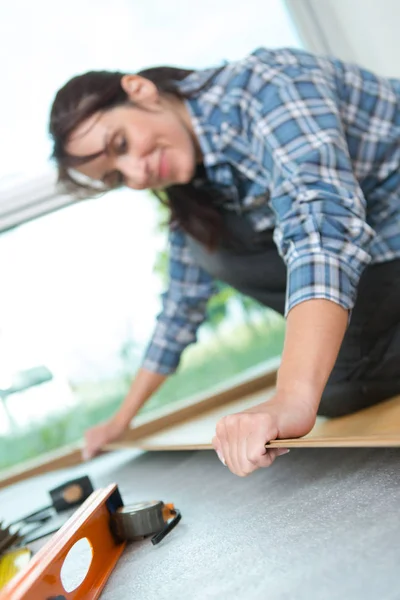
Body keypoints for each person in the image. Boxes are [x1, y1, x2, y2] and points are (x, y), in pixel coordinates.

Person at [49, 46, 400, 477]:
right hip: (382, 264)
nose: (136, 175)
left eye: (121, 144)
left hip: (382, 242)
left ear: (140, 91)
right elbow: (181, 305)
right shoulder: (197, 181)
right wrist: (121, 421)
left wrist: (291, 396)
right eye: (118, 176)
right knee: (205, 243)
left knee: (331, 390)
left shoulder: (268, 85)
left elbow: (321, 221)